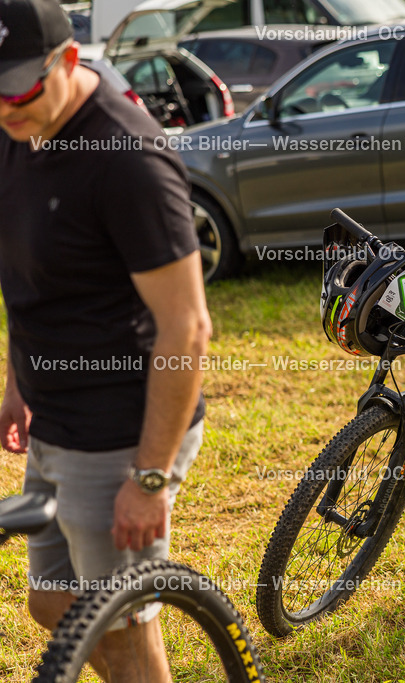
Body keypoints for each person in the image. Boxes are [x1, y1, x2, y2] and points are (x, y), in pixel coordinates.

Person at [0, 0, 211, 678]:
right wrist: (17, 383)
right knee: (52, 601)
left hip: (121, 432)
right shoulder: (16, 129)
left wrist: (149, 477)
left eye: (20, 90)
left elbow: (188, 325)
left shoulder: (128, 162)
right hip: (56, 423)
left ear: (68, 61)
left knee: (121, 620)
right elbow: (28, 274)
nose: (6, 108)